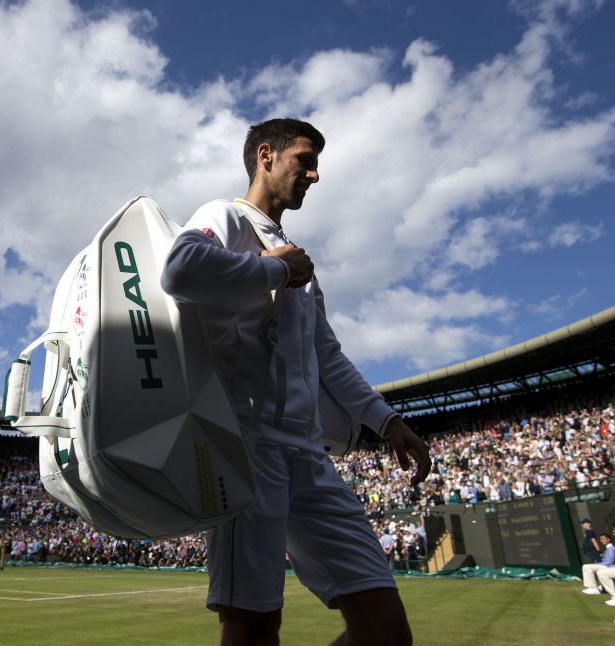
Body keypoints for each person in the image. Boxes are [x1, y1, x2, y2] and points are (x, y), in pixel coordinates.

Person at [161, 117, 431, 646]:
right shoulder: (228, 216)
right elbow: (179, 269)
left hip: (308, 453)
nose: (314, 174)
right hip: (248, 444)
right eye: (304, 160)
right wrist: (275, 269)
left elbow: (327, 355)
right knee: (255, 625)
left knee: (385, 629)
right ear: (266, 156)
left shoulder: (298, 258)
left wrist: (387, 420)